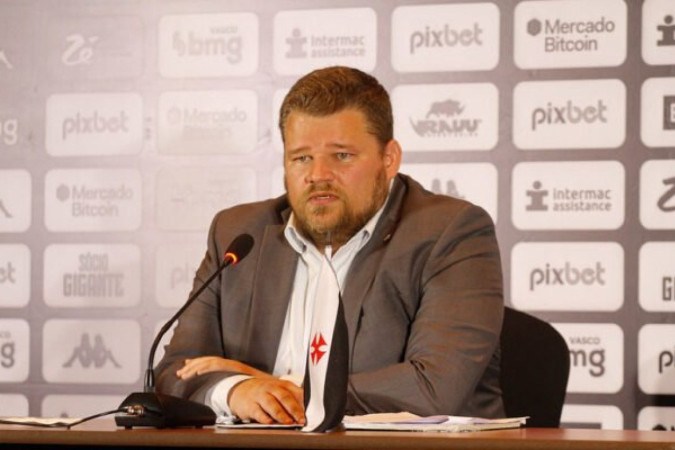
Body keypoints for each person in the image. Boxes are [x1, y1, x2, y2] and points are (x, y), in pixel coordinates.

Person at [155, 66, 504, 426]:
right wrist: (235, 391)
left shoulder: (449, 232)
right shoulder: (239, 234)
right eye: (301, 157)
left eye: (341, 156)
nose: (318, 174)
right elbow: (174, 372)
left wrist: (284, 390)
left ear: (389, 159)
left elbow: (433, 387)